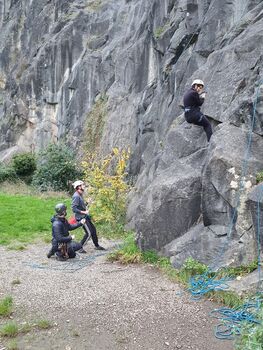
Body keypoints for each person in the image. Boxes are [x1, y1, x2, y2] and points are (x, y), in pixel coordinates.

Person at [71, 180, 105, 252]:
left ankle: (97, 245)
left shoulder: (80, 195)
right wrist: (84, 212)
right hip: (81, 218)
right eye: (82, 185)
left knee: (93, 230)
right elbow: (74, 209)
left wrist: (87, 203)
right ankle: (79, 248)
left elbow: (81, 206)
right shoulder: (76, 196)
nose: (84, 186)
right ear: (79, 187)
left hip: (85, 216)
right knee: (89, 233)